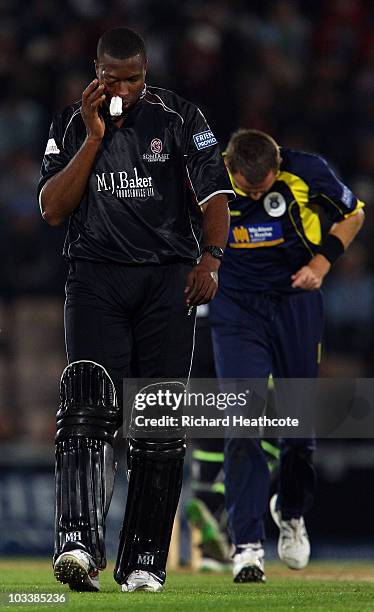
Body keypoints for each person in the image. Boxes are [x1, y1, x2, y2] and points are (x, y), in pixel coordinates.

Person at [37, 27, 234, 593]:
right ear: (95, 72)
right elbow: (52, 208)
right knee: (86, 407)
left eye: (134, 78)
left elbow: (215, 197)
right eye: (112, 77)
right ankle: (77, 546)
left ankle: (144, 562)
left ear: (146, 73)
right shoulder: (71, 124)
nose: (123, 88)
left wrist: (212, 260)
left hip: (167, 281)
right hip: (95, 278)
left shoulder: (180, 116)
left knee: (158, 424)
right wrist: (94, 139)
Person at [209, 129, 365, 583]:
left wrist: (321, 264)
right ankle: (247, 546)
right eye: (247, 190)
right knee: (243, 423)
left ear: (277, 167)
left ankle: (291, 511)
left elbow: (353, 214)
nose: (256, 197)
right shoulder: (207, 176)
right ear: (232, 169)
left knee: (298, 429)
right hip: (237, 308)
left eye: (263, 189)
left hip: (294, 301)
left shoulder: (306, 170)